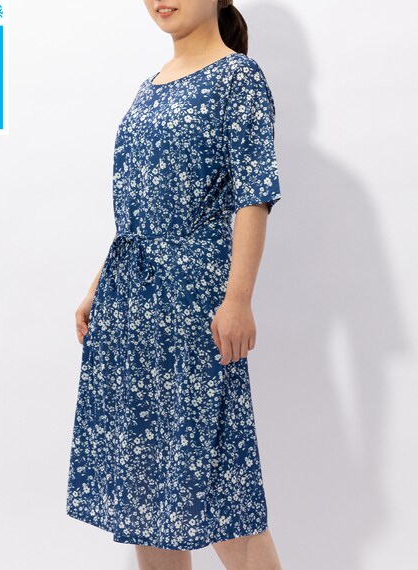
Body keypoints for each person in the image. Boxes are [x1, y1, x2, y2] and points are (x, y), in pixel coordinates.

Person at [67, 1, 284, 568]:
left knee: (222, 492)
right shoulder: (151, 86)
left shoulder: (237, 77)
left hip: (193, 305)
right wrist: (99, 285)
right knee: (145, 491)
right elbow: (140, 208)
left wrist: (238, 298)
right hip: (130, 305)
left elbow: (253, 194)